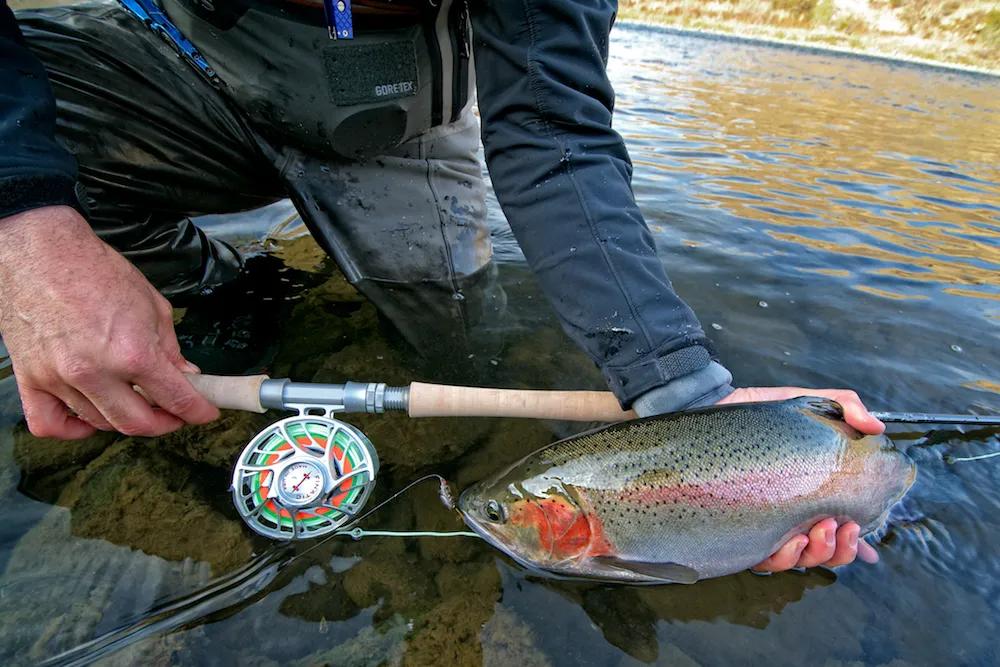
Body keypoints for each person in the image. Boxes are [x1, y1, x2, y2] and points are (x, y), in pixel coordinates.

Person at [0, 0, 883, 572]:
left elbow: (551, 126)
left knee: (465, 345)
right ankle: (220, 288)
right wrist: (23, 218)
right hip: (168, 65)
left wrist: (683, 387)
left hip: (397, 115)